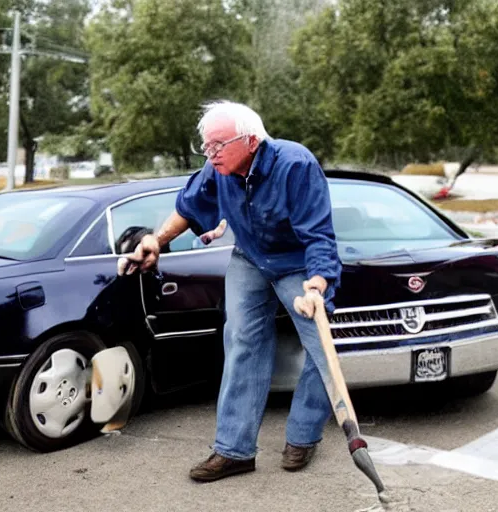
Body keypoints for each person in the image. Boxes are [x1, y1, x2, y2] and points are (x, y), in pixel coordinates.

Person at [124, 100, 342, 482]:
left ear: (252, 140)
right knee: (242, 342)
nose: (211, 153)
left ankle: (303, 436)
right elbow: (189, 207)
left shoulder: (296, 165)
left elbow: (319, 235)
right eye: (206, 146)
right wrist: (156, 241)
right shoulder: (218, 169)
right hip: (251, 259)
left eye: (218, 145)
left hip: (298, 264)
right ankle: (235, 450)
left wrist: (318, 283)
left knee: (321, 349)